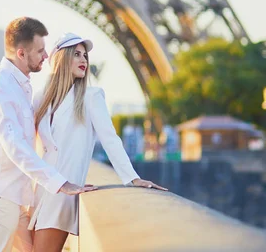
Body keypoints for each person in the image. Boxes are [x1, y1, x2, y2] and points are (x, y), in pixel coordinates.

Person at [0, 19, 97, 252]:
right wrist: (59, 182)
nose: (46, 56)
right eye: (40, 51)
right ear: (22, 53)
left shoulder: (21, 87)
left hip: (13, 199)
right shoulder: (0, 87)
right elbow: (13, 145)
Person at [29, 33, 168, 251]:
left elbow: (110, 139)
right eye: (76, 54)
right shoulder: (41, 98)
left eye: (85, 55)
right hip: (40, 190)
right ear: (61, 59)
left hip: (64, 194)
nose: (84, 60)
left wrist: (132, 178)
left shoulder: (91, 97)